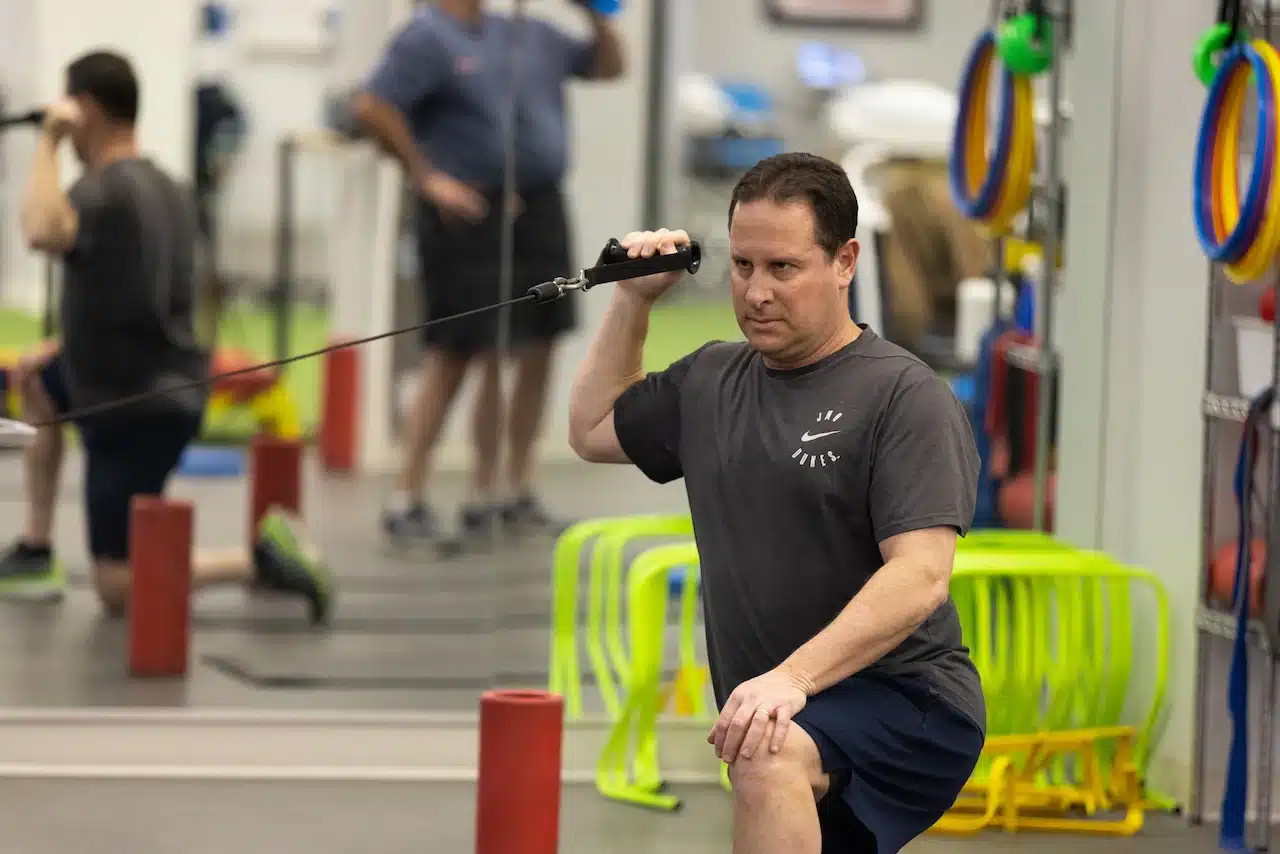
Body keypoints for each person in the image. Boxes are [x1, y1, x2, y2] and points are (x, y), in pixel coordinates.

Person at [567, 152, 985, 853]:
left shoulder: (903, 396)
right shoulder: (711, 380)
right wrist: (633, 300)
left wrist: (789, 679)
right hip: (789, 705)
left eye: (783, 269)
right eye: (742, 267)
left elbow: (920, 575)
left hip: (906, 700)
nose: (756, 292)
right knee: (770, 753)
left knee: (767, 753)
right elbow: (591, 430)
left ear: (845, 261)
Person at [0, 51, 332, 623]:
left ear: (84, 111)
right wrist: (55, 349)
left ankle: (259, 558)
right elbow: (139, 298)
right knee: (41, 385)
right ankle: (36, 546)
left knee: (118, 587)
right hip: (162, 383)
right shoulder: (169, 186)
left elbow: (38, 229)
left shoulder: (101, 192)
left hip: (133, 408)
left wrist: (49, 141)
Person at [351, 0, 625, 548]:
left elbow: (610, 66)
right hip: (466, 214)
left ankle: (503, 491)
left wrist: (595, 12)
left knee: (536, 348)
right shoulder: (427, 36)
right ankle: (407, 496)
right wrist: (426, 177)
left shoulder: (527, 33)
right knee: (457, 353)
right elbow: (372, 106)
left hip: (539, 208)